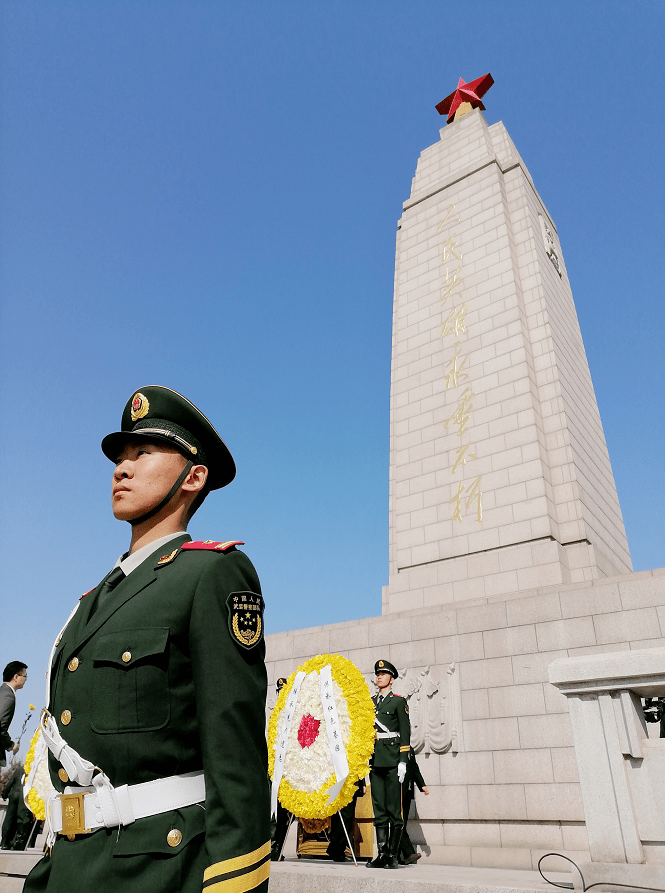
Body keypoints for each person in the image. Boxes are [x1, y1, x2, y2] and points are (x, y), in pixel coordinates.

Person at [24, 386, 270, 893]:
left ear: (193, 476)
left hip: (159, 871)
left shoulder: (211, 574)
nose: (122, 468)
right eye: (120, 456)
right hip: (72, 868)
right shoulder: (92, 600)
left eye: (143, 453)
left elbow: (236, 758)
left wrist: (234, 883)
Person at [366, 659, 410, 870]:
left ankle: (393, 855)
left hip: (393, 761)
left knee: (395, 811)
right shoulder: (370, 702)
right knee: (379, 811)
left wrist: (403, 762)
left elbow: (405, 734)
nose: (379, 677)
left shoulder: (398, 702)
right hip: (376, 762)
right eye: (378, 674)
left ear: (391, 679)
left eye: (383, 674)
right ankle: (382, 854)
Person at [270, 678, 293, 861]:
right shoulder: (273, 715)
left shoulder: (293, 715)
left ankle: (278, 846)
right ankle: (269, 844)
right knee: (271, 810)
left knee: (282, 812)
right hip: (271, 769)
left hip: (287, 771)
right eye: (279, 691)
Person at [398, 747, 428, 864]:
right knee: (398, 823)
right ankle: (407, 853)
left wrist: (422, 785)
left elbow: (414, 768)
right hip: (396, 792)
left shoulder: (409, 749)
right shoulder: (393, 746)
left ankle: (398, 855)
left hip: (407, 792)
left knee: (402, 823)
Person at [0, 662, 27, 767]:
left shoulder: (2, 692)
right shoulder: (8, 696)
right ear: (16, 677)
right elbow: (0, 726)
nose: (26, 680)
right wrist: (11, 745)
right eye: (25, 676)